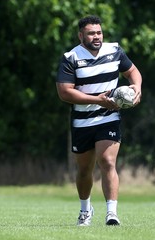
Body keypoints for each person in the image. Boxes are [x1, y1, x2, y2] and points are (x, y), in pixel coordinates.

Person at [56, 15, 142, 226]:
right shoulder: (71, 58)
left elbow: (132, 72)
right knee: (85, 169)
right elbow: (65, 93)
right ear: (81, 35)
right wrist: (97, 100)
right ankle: (86, 210)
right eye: (91, 33)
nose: (96, 37)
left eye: (99, 32)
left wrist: (137, 88)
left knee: (108, 161)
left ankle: (111, 213)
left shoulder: (114, 51)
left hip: (108, 116)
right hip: (83, 121)